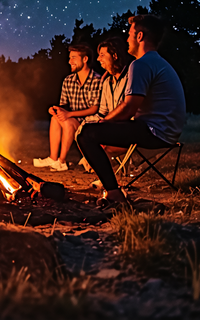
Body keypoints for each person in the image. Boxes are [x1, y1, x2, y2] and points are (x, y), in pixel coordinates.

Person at [76, 15, 186, 205]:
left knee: (86, 134)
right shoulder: (157, 62)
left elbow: (128, 108)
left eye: (130, 34)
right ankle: (112, 188)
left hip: (155, 132)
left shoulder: (141, 64)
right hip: (165, 131)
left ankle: (113, 193)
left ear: (140, 36)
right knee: (94, 131)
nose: (127, 39)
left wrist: (104, 123)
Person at [34, 44, 101, 171]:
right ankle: (53, 158)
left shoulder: (96, 80)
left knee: (68, 122)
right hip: (75, 121)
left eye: (74, 58)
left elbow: (94, 109)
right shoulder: (68, 80)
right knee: (55, 118)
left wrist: (69, 114)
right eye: (70, 58)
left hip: (91, 123)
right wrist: (55, 109)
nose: (70, 61)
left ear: (85, 59)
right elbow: (63, 105)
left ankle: (62, 161)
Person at [78, 37, 131, 171]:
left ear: (114, 56)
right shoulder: (107, 82)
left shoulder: (130, 78)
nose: (98, 59)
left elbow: (129, 110)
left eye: (102, 55)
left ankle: (107, 182)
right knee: (83, 131)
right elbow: (102, 111)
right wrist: (86, 124)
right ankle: (95, 166)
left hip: (129, 129)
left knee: (98, 144)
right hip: (111, 127)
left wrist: (104, 123)